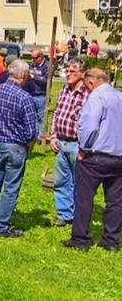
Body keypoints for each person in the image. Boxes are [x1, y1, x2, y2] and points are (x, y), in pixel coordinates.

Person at [62, 68, 122, 252]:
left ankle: (80, 239)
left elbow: (90, 126)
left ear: (90, 83)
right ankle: (111, 240)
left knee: (84, 198)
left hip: (96, 156)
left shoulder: (96, 97)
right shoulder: (119, 96)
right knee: (116, 200)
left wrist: (83, 148)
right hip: (118, 157)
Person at [0, 59, 38, 238]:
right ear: (24, 76)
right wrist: (29, 149)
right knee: (11, 188)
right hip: (16, 146)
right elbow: (31, 131)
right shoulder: (25, 98)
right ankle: (2, 226)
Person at [49, 59, 89, 228]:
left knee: (80, 182)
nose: (68, 74)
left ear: (82, 74)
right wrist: (53, 136)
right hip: (61, 142)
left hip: (78, 145)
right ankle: (64, 214)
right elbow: (57, 114)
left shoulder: (88, 94)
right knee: (61, 180)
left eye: (73, 71)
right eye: (67, 71)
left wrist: (85, 145)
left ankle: (79, 217)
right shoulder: (64, 90)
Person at [29, 48, 50, 137]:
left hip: (41, 95)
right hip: (31, 94)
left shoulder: (47, 66)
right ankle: (36, 135)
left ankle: (41, 137)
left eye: (34, 58)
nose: (33, 60)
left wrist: (33, 76)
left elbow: (46, 81)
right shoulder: (32, 65)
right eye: (32, 58)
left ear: (40, 57)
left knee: (41, 117)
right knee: (33, 117)